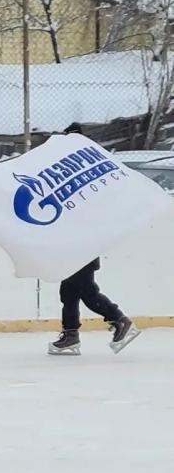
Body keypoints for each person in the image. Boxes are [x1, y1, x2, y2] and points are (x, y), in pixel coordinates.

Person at [49, 123, 139, 356]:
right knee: (68, 293)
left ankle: (119, 320)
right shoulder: (69, 175)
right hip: (71, 245)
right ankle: (70, 335)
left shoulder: (87, 178)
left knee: (86, 291)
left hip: (83, 245)